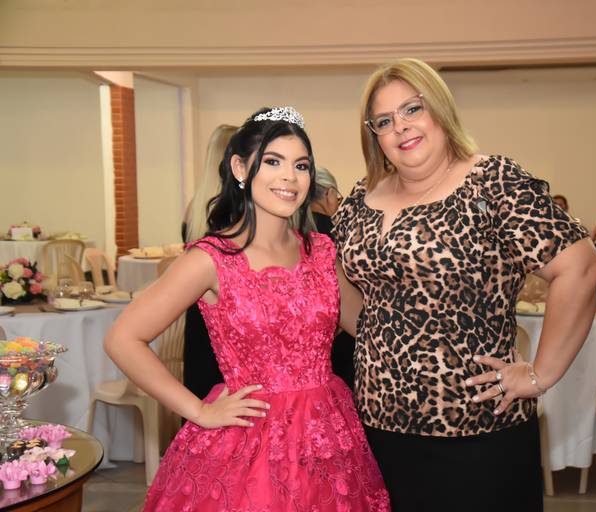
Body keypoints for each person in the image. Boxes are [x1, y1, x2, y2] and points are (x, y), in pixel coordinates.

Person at [333, 58, 596, 511]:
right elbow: (352, 296)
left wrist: (541, 373)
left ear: (439, 109)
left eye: (412, 109)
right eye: (384, 120)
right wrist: (383, 347)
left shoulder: (492, 182)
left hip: (477, 428)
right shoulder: (359, 199)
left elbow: (581, 267)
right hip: (380, 428)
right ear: (374, 134)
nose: (401, 127)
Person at [105, 107, 390, 511]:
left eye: (301, 165)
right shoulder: (211, 259)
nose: (290, 177)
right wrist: (198, 410)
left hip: (328, 435)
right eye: (273, 162)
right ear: (240, 168)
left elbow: (370, 326)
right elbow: (122, 339)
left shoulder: (323, 252)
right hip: (249, 441)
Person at [181, 124, 236, 400]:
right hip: (223, 311)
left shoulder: (197, 204)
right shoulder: (229, 208)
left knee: (201, 384)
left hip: (197, 310)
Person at [310, 167, 355, 389]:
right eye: (338, 199)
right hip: (341, 353)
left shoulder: (289, 238)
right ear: (329, 194)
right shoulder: (339, 237)